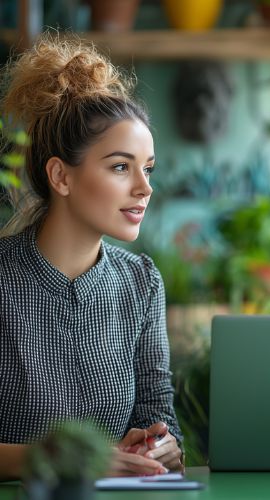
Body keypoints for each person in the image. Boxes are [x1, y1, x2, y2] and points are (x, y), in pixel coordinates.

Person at [0, 33, 183, 479]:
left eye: (148, 168)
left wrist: (160, 447)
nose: (145, 187)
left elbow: (161, 415)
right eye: (121, 167)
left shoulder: (141, 281)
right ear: (60, 175)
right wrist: (65, 459)